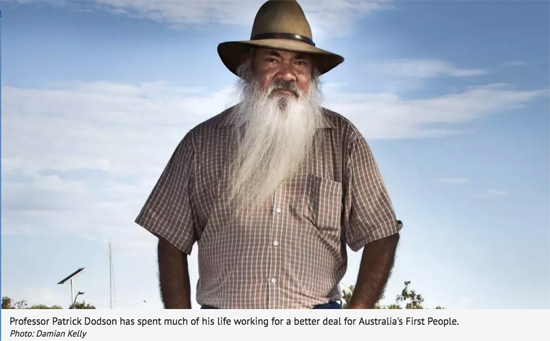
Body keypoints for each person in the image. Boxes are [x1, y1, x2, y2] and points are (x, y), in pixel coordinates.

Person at [135, 0, 402, 309]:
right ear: (248, 67)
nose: (287, 75)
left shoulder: (343, 140)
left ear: (312, 75)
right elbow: (170, 241)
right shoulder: (200, 144)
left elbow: (382, 234)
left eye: (300, 63)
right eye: (273, 59)